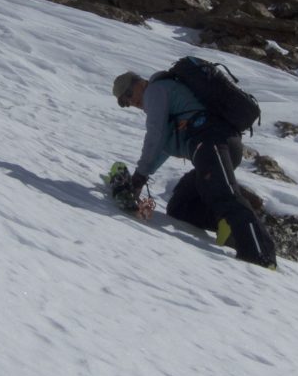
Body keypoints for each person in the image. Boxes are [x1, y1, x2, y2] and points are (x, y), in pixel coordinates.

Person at [112, 69, 278, 268]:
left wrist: (139, 176)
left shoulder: (155, 91)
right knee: (180, 207)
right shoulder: (164, 99)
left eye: (129, 94)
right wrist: (142, 177)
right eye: (124, 102)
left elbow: (154, 136)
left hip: (213, 140)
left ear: (141, 83)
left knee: (225, 195)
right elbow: (163, 145)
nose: (131, 101)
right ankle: (225, 225)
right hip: (209, 148)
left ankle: (261, 258)